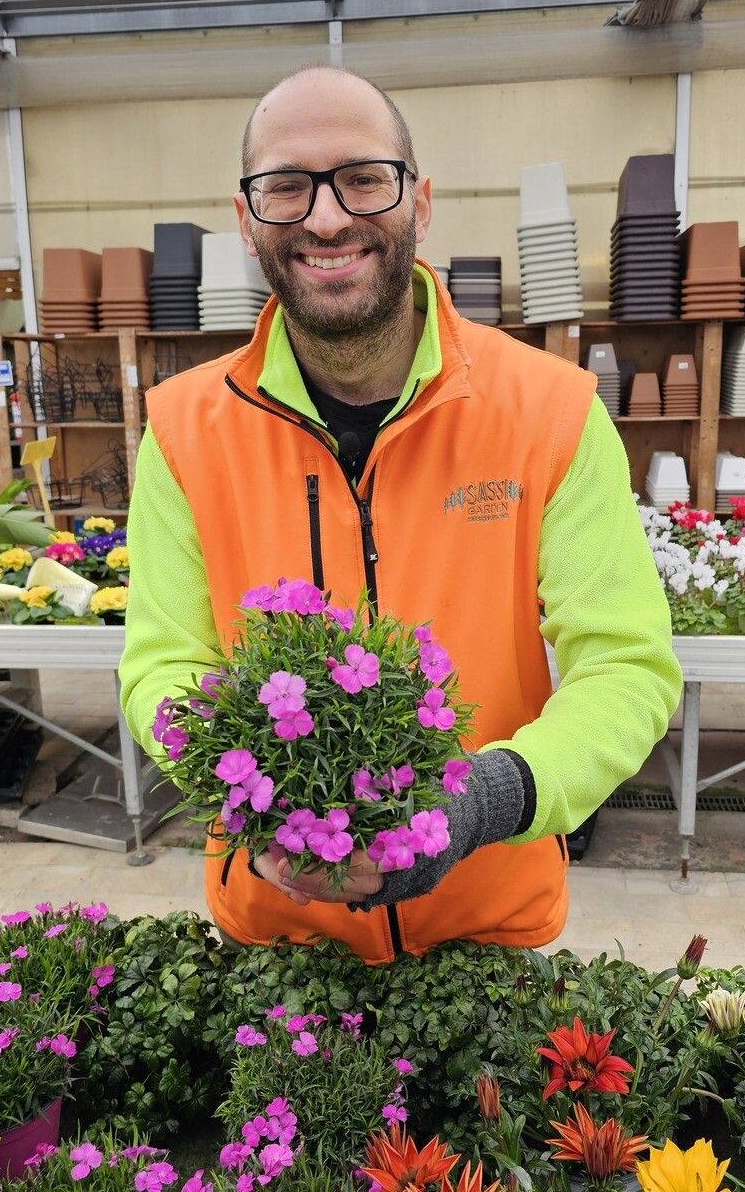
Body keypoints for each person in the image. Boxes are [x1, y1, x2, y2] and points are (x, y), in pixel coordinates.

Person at [120, 65, 681, 962]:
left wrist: (486, 802)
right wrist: (247, 808)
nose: (327, 217)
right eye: (285, 186)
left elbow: (626, 669)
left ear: (420, 201)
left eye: (363, 178)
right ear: (244, 219)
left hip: (485, 926)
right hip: (277, 939)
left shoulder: (550, 410)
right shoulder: (186, 428)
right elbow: (162, 666)